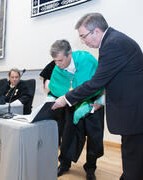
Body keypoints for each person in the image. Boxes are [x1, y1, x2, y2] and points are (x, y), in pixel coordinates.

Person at [51, 13, 143, 180]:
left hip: (136, 113)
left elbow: (97, 82)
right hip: (134, 112)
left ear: (96, 31)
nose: (83, 42)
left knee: (134, 164)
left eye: (83, 36)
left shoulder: (113, 44)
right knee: (133, 160)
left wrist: (66, 98)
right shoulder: (113, 41)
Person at [44, 40, 104, 180]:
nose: (57, 64)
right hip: (71, 104)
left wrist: (100, 101)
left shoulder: (86, 60)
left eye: (60, 60)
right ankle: (64, 164)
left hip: (93, 103)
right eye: (55, 61)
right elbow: (54, 89)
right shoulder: (57, 68)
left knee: (94, 138)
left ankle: (90, 168)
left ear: (69, 54)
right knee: (68, 136)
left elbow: (101, 82)